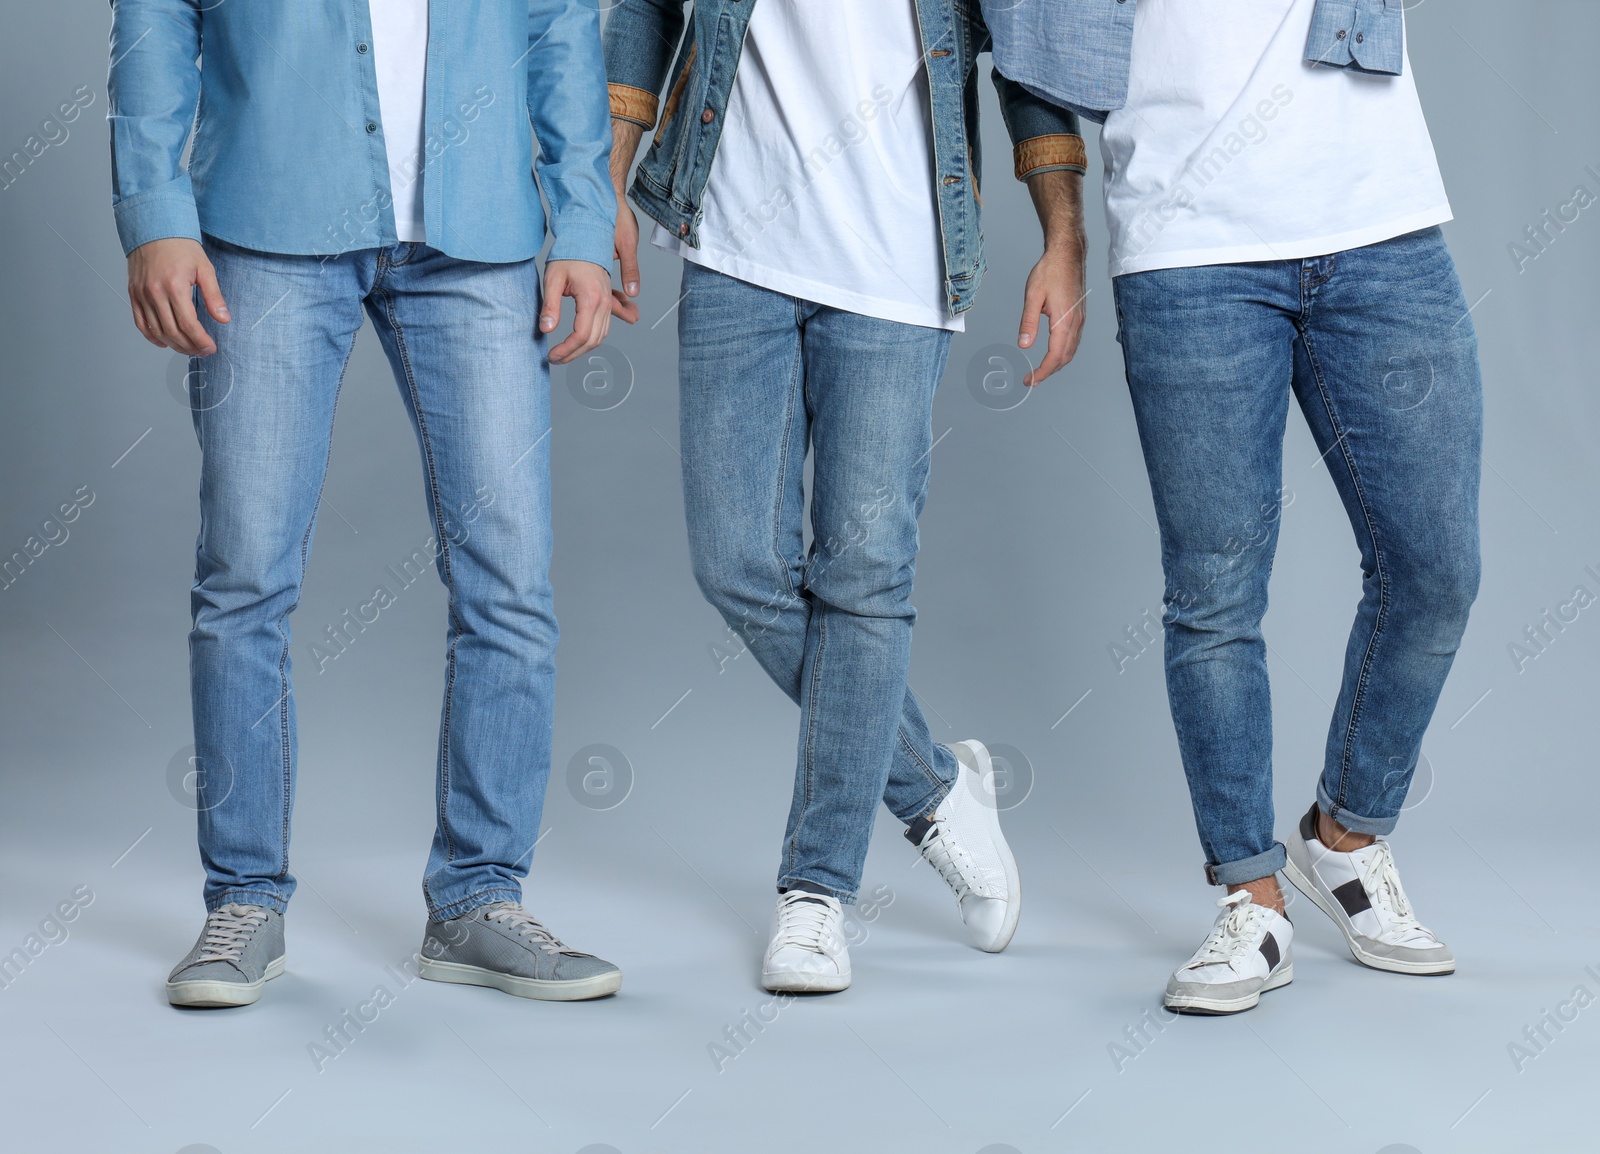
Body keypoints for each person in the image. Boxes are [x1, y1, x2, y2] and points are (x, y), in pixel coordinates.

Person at [109, 0, 628, 1007]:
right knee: (245, 573)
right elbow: (157, 17)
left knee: (510, 579)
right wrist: (155, 211)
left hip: (474, 232)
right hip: (269, 217)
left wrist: (581, 219)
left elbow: (561, 24)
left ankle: (479, 897)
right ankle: (244, 900)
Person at [988, 0, 1480, 1013]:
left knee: (1435, 568)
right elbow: (1030, 47)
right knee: (1214, 593)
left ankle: (1343, 838)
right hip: (1187, 243)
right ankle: (1249, 896)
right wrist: (1063, 235)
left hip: (1378, 222)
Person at [603, 0, 1090, 992]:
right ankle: (934, 786)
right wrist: (601, 186)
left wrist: (1063, 236)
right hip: (736, 241)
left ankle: (815, 892)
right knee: (736, 561)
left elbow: (1030, 57)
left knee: (862, 574)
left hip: (897, 261)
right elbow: (647, 14)